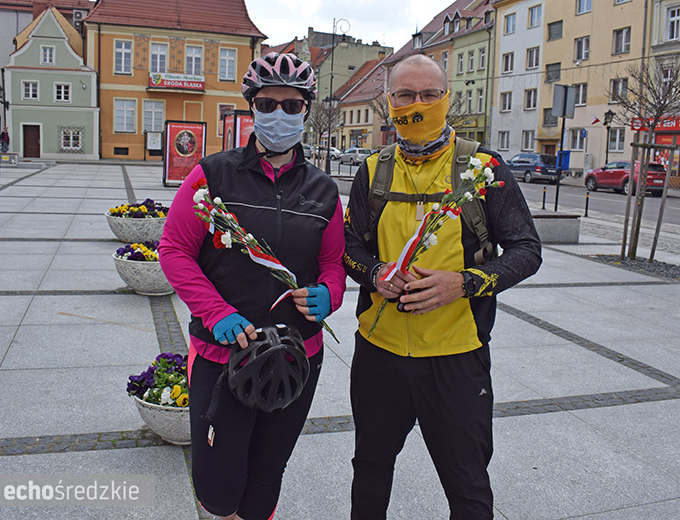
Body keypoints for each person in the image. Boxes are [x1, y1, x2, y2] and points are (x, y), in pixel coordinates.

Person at [343, 54, 542, 519]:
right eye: (406, 95)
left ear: (446, 98)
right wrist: (374, 274)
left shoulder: (484, 169)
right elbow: (349, 247)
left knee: (468, 486)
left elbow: (526, 250)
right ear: (389, 102)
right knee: (370, 471)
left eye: (430, 95)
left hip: (457, 356)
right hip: (380, 353)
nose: (418, 105)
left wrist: (466, 283)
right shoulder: (373, 170)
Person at [159, 52, 346, 520]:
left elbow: (332, 263)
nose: (278, 115)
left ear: (306, 110)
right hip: (224, 355)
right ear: (251, 108)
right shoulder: (212, 175)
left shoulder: (323, 190)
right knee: (218, 488)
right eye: (267, 104)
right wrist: (215, 312)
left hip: (295, 355)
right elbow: (174, 250)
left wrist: (330, 295)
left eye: (291, 105)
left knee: (267, 474)